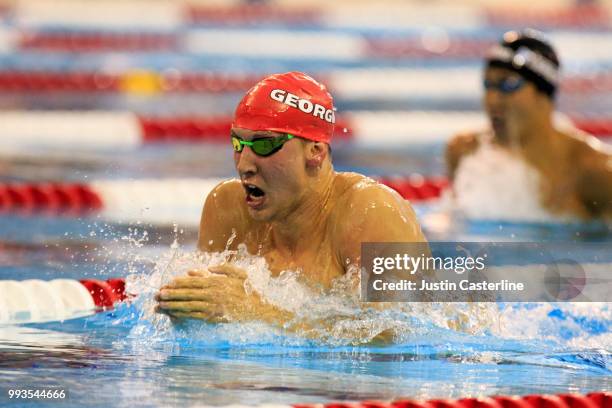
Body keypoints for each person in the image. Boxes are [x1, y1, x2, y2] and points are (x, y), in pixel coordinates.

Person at [156, 72, 426, 326]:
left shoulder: (372, 211)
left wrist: (258, 312)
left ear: (315, 151)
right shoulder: (227, 208)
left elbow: (394, 335)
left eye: (264, 144)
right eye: (238, 144)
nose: (244, 165)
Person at [446, 29, 612, 221]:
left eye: (507, 85)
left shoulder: (593, 170)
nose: (492, 100)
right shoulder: (465, 150)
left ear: (544, 95)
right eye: (488, 85)